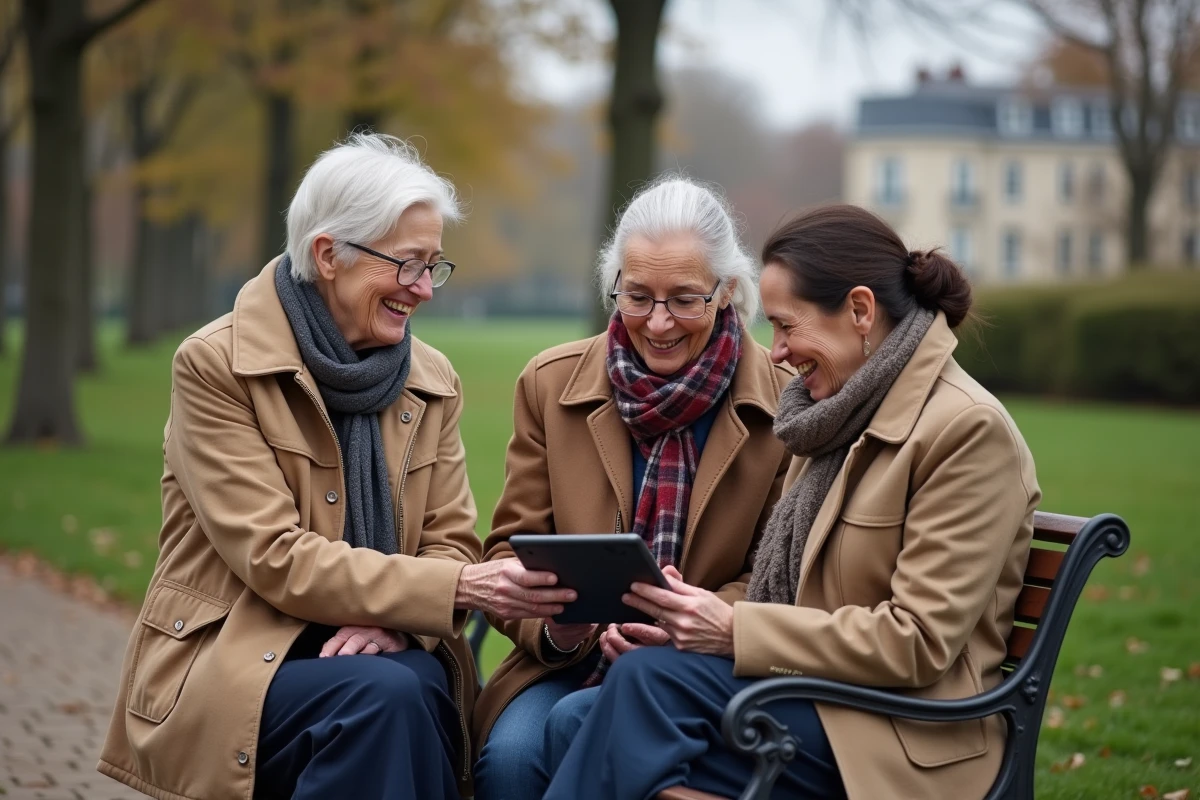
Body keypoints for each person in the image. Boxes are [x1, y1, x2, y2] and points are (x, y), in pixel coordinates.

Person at [97, 134, 575, 800]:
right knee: (391, 699)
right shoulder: (217, 365)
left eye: (435, 267)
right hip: (239, 657)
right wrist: (455, 591)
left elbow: (450, 540)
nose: (423, 290)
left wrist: (396, 619)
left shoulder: (430, 378)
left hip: (387, 652)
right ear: (329, 255)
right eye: (408, 265)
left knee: (401, 689)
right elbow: (275, 556)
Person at [543, 203, 1042, 800]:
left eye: (785, 325)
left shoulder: (965, 430)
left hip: (901, 732)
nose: (775, 352)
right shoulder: (834, 416)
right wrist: (690, 623)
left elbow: (918, 643)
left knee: (637, 698)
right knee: (612, 700)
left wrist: (733, 629)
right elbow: (788, 594)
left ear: (860, 310)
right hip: (822, 698)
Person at [470, 177, 795, 800]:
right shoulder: (550, 383)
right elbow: (509, 551)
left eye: (684, 299)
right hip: (567, 660)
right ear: (613, 284)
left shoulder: (784, 405)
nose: (659, 322)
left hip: (707, 665)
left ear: (726, 291)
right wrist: (564, 626)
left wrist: (686, 623)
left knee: (574, 733)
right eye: (637, 296)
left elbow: (781, 570)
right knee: (510, 758)